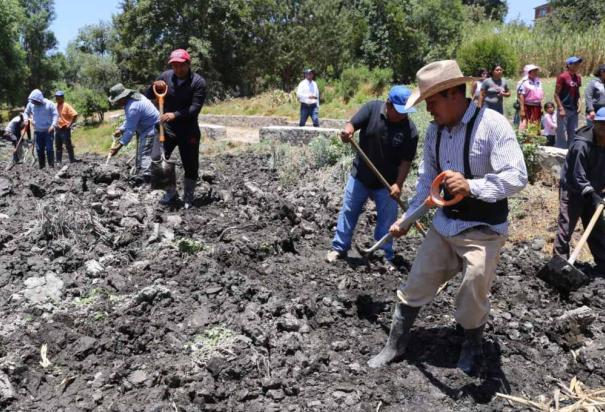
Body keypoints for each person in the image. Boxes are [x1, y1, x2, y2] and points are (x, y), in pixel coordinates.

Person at [367, 60, 528, 375]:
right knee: (415, 283)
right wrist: (409, 219)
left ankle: (471, 344)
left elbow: (517, 176)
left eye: (432, 101)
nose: (429, 110)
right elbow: (428, 183)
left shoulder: (492, 125)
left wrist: (472, 186)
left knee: (473, 287)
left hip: (483, 230)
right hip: (444, 227)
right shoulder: (434, 133)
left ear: (455, 94)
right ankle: (395, 344)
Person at [326, 86, 419, 269]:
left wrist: (398, 184)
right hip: (361, 175)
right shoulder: (372, 109)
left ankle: (384, 253)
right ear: (388, 104)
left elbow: (405, 162)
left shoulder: (410, 131)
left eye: (406, 112)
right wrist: (347, 132)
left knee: (388, 219)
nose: (403, 116)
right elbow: (352, 124)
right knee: (348, 211)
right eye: (400, 111)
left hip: (387, 184)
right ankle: (339, 248)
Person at [146, 49, 207, 208]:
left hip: (188, 130)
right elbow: (148, 94)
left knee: (190, 164)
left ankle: (188, 197)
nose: (178, 69)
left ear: (188, 64)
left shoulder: (198, 82)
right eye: (174, 66)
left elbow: (195, 108)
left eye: (181, 65)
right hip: (166, 128)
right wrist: (153, 86)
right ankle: (170, 193)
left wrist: (175, 114)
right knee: (157, 158)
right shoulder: (165, 77)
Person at [553, 107, 605, 274]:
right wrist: (592, 194)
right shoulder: (582, 144)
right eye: (601, 124)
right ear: (594, 123)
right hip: (574, 190)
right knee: (566, 226)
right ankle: (558, 266)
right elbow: (578, 175)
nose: (604, 127)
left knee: (597, 228)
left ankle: (603, 265)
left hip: (595, 191)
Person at [107, 83, 159, 181]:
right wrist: (121, 129)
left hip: (151, 129)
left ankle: (147, 180)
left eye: (117, 100)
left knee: (145, 154)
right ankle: (141, 174)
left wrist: (117, 148)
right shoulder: (133, 99)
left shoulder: (133, 107)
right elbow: (131, 120)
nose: (117, 103)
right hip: (146, 128)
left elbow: (130, 131)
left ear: (122, 97)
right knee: (141, 152)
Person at [24, 89, 58, 169]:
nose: (33, 102)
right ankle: (42, 167)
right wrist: (26, 119)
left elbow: (55, 115)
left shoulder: (49, 104)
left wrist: (53, 125)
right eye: (32, 101)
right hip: (37, 131)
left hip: (48, 131)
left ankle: (51, 166)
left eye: (35, 101)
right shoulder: (31, 104)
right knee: (39, 150)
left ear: (39, 99)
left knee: (49, 149)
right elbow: (26, 112)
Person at [555, 56, 583, 148]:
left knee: (573, 131)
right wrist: (561, 108)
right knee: (561, 132)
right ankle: (560, 151)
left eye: (578, 63)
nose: (577, 65)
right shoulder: (562, 77)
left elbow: (577, 92)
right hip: (564, 108)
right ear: (569, 65)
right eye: (575, 64)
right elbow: (556, 94)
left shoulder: (578, 78)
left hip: (574, 109)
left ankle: (571, 150)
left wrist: (580, 104)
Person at [54, 90, 78, 163]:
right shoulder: (55, 106)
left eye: (59, 97)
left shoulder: (66, 105)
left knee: (68, 145)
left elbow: (75, 114)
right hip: (57, 128)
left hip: (65, 128)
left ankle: (72, 160)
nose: (57, 99)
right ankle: (58, 161)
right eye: (56, 97)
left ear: (62, 98)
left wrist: (70, 124)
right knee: (58, 146)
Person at [518, 64, 544, 129]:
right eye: (534, 71)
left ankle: (535, 138)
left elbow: (540, 93)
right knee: (527, 124)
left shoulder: (538, 81)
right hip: (528, 106)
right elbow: (521, 95)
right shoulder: (524, 82)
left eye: (536, 71)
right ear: (528, 72)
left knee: (536, 124)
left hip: (537, 106)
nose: (536, 72)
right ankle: (528, 138)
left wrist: (541, 106)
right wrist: (522, 109)